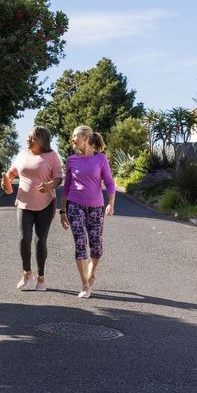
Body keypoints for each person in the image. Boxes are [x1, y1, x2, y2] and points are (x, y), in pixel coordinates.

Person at [2, 126, 62, 291]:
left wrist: (49, 185)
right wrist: (6, 181)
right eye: (28, 137)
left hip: (46, 205)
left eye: (33, 138)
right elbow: (12, 172)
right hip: (23, 203)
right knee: (24, 239)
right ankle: (26, 274)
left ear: (42, 140)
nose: (28, 140)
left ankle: (41, 278)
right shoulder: (22, 155)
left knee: (40, 240)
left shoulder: (51, 156)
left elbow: (58, 178)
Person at [60, 125, 116, 298]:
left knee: (96, 247)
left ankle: (92, 273)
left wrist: (111, 203)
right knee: (80, 241)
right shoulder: (71, 160)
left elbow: (109, 182)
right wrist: (63, 211)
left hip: (96, 207)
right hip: (74, 205)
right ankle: (84, 284)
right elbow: (67, 187)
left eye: (75, 135)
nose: (72, 139)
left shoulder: (101, 159)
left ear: (85, 137)